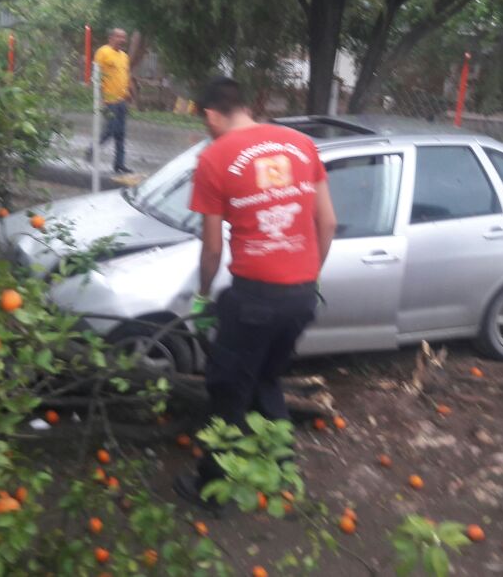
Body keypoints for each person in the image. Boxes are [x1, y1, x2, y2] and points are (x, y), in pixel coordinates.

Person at [172, 77, 338, 509]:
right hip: (301, 298)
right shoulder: (301, 145)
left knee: (227, 389)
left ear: (211, 115)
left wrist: (204, 296)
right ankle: (283, 472)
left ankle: (214, 491)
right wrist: (309, 278)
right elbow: (329, 224)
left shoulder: (214, 159)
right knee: (265, 379)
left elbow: (212, 249)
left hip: (254, 301)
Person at [88, 28, 132, 174]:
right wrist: (99, 98)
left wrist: (128, 93)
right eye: (119, 36)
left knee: (121, 133)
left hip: (121, 100)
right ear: (111, 37)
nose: (122, 40)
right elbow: (97, 76)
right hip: (109, 100)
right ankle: (92, 149)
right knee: (111, 130)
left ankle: (119, 164)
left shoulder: (124, 56)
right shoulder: (103, 52)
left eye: (124, 37)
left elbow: (125, 75)